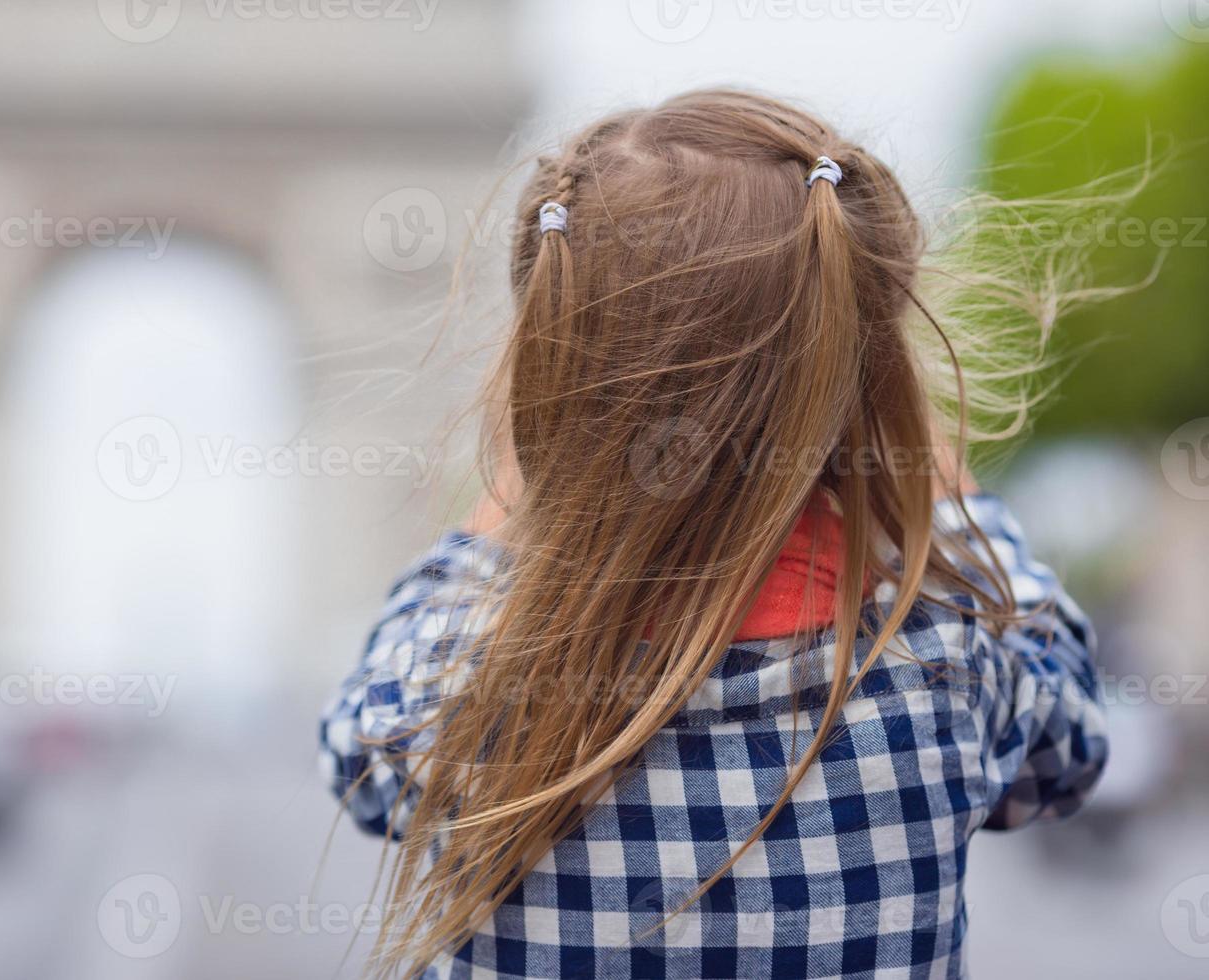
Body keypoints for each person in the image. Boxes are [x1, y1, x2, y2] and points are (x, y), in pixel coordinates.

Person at [320, 89, 1108, 979]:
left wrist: (518, 486)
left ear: (546, 370)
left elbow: (355, 749)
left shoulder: (460, 681)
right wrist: (940, 492)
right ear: (866, 370)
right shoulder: (949, 662)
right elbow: (1069, 744)